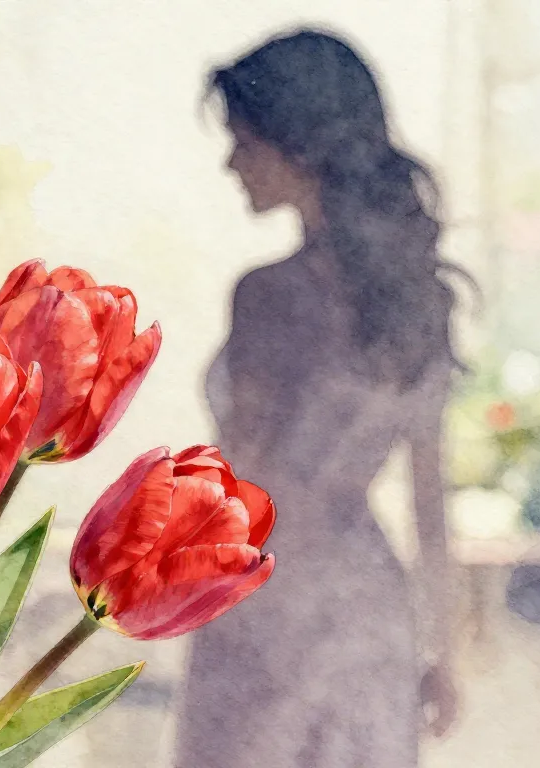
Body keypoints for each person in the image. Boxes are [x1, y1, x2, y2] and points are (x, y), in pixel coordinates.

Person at [175, 29, 468, 767]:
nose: (231, 163)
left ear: (300, 147)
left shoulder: (269, 296)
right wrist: (445, 651)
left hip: (266, 599)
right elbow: (430, 500)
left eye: (245, 141)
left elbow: (246, 478)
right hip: (371, 611)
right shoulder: (419, 299)